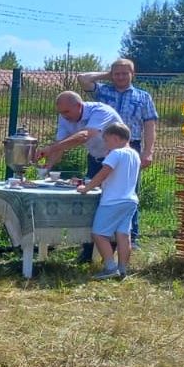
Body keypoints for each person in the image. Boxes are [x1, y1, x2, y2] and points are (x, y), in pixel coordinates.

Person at [34, 91, 122, 263]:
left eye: (66, 112)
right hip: (96, 160)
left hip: (117, 161)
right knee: (90, 203)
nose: (63, 116)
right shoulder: (66, 116)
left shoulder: (101, 111)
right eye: (60, 112)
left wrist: (50, 148)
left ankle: (113, 252)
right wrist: (47, 167)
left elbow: (84, 136)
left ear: (79, 106)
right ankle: (89, 251)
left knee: (111, 203)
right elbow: (60, 146)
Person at [79, 58, 156, 244]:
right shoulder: (103, 91)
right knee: (94, 188)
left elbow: (150, 124)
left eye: (124, 73)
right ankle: (92, 241)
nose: (120, 77)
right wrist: (108, 74)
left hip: (131, 148)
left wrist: (148, 151)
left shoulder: (143, 97)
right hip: (102, 147)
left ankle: (130, 238)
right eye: (117, 73)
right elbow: (83, 79)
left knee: (127, 191)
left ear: (133, 75)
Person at [76, 122, 141, 279]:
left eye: (106, 140)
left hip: (113, 201)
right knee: (123, 236)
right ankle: (123, 269)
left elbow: (103, 173)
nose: (105, 144)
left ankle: (110, 267)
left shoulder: (116, 154)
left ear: (116, 138)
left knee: (99, 233)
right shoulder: (134, 154)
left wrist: (87, 188)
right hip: (130, 200)